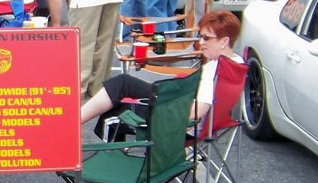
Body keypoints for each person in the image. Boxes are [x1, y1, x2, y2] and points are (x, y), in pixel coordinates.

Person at [80, 10, 243, 127]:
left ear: (224, 41)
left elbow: (195, 113)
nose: (201, 42)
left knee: (122, 87)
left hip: (173, 114)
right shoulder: (237, 63)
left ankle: (72, 125)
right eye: (200, 36)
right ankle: (75, 123)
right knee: (123, 86)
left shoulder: (212, 72)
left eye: (207, 38)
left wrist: (170, 102)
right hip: (178, 100)